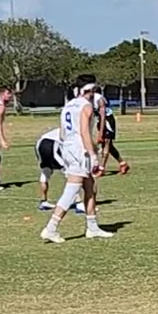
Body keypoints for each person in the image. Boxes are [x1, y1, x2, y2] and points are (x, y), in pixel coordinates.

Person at [40, 84, 114, 242]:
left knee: (90, 186)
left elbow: (62, 133)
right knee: (72, 190)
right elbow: (84, 132)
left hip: (68, 147)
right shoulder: (86, 106)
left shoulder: (68, 105)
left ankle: (92, 227)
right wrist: (92, 154)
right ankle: (51, 227)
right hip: (80, 151)